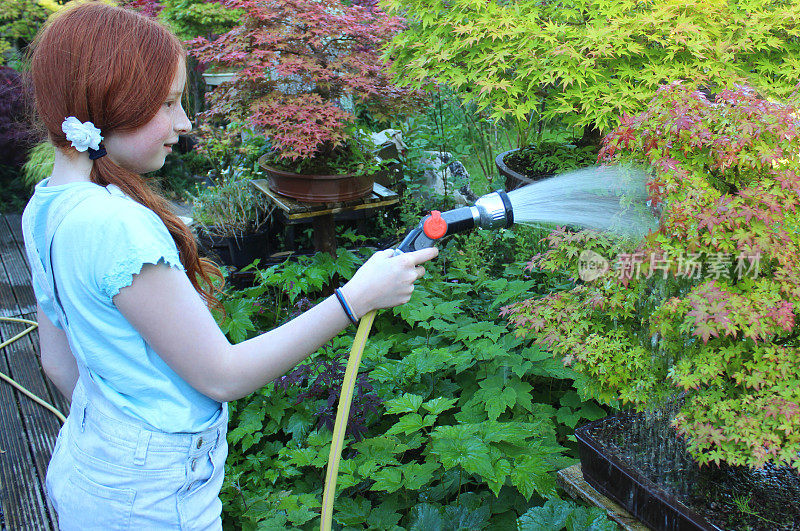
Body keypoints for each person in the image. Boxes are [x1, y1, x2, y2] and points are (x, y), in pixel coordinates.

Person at [21, 3, 438, 529]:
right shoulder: (115, 227)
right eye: (167, 104)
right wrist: (355, 299)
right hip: (151, 503)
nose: (184, 123)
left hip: (89, 468)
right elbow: (222, 375)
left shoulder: (45, 207)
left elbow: (59, 365)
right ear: (110, 101)